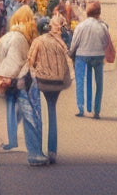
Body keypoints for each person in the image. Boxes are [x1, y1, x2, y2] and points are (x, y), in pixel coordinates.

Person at [0, 5, 47, 167]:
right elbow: (15, 61)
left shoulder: (8, 36)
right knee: (31, 115)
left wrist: (1, 78)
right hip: (22, 80)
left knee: (18, 111)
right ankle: (35, 153)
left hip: (9, 79)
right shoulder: (20, 37)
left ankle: (16, 142)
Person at [27, 14, 73, 164]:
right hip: (58, 81)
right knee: (52, 112)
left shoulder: (38, 41)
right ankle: (52, 150)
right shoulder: (60, 42)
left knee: (38, 114)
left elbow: (30, 61)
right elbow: (68, 59)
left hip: (43, 81)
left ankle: (38, 150)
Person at [68, 1, 112, 119]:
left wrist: (71, 53)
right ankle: (96, 110)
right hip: (98, 56)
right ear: (99, 13)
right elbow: (105, 42)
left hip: (82, 55)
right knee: (98, 83)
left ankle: (81, 108)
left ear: (87, 13)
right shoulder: (103, 26)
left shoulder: (80, 26)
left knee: (80, 81)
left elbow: (74, 43)